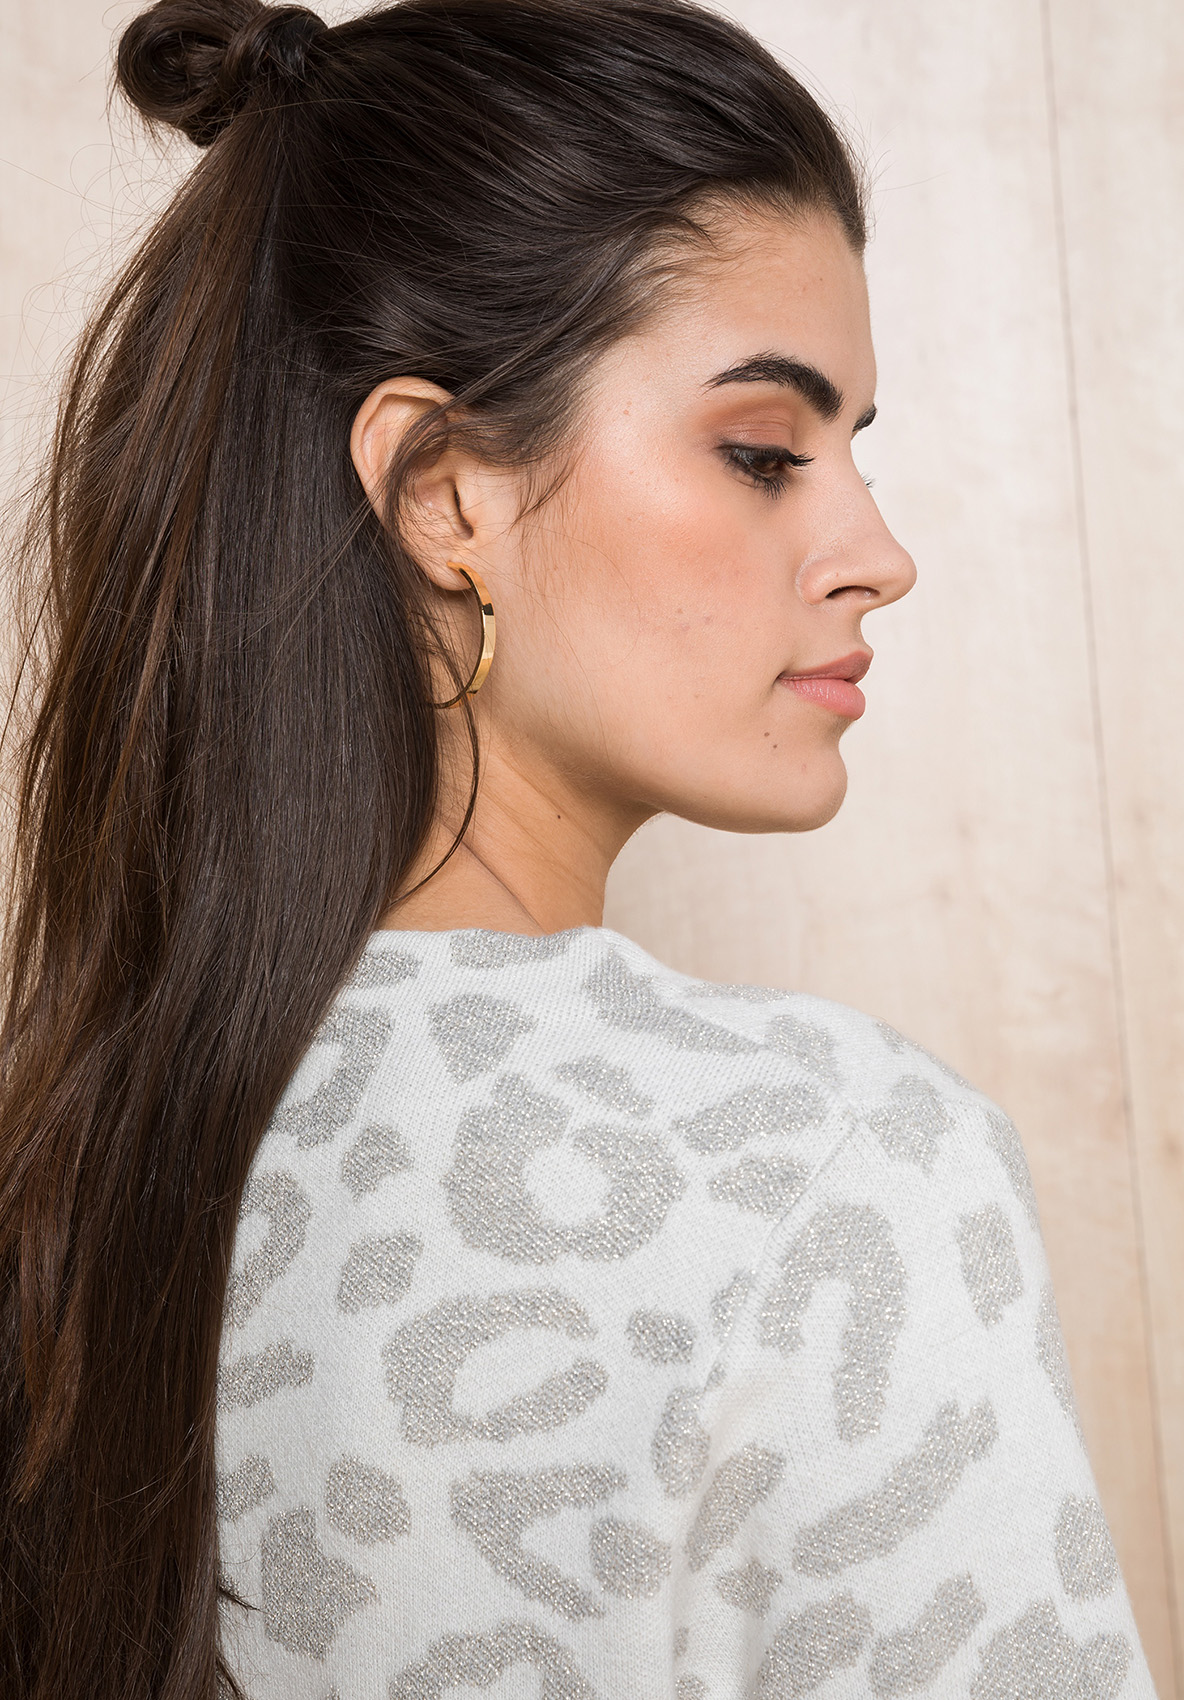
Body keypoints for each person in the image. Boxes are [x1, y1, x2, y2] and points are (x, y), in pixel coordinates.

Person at [0, 0, 1158, 1695]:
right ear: (443, 494)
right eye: (764, 452)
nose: (878, 552)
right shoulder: (833, 1173)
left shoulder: (69, 1171)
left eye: (854, 453)